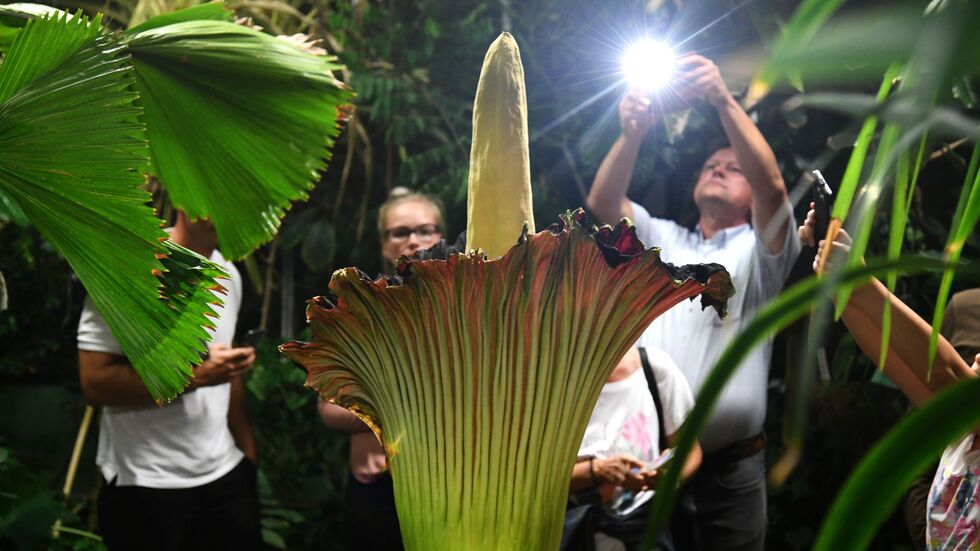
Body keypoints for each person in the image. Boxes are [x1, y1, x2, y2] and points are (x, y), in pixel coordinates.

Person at [586, 55, 800, 549]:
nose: (720, 170)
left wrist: (723, 100)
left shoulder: (759, 249)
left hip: (732, 462)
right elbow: (602, 206)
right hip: (654, 456)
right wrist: (633, 133)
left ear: (750, 196)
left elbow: (772, 187)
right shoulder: (662, 238)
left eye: (732, 168)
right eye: (710, 166)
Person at [77, 211, 260, 550]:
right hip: (147, 484)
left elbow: (225, 377)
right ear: (187, 199)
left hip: (225, 474)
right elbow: (95, 383)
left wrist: (247, 453)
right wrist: (197, 376)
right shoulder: (130, 266)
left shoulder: (228, 273)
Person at [798, 209, 979, 551]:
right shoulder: (961, 437)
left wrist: (865, 284)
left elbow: (947, 374)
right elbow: (893, 359)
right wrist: (844, 288)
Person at [317, 188, 445, 550]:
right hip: (377, 489)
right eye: (400, 232)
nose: (413, 240)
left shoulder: (467, 307)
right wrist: (393, 415)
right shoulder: (358, 311)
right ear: (384, 242)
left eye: (425, 229)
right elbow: (327, 408)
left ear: (441, 236)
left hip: (452, 479)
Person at [564, 346, 702, 551]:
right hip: (578, 532)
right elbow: (535, 480)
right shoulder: (556, 383)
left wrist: (671, 477)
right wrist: (596, 471)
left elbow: (690, 451)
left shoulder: (654, 367)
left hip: (646, 528)